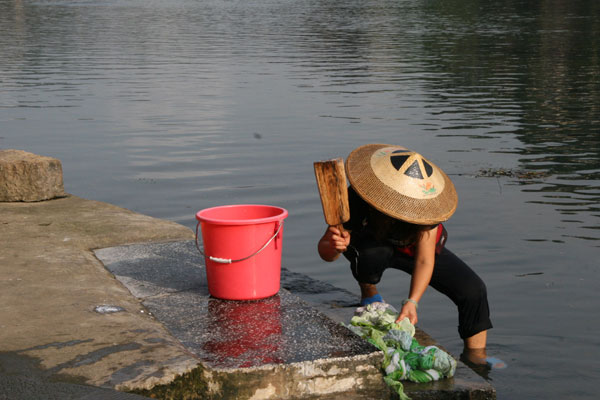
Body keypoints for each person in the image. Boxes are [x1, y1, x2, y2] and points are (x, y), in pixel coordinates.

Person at [317, 144, 504, 370]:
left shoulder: (427, 208)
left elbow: (425, 260)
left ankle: (477, 356)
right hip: (371, 248)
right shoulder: (359, 198)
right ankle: (369, 291)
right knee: (372, 253)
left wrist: (412, 302)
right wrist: (336, 246)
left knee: (474, 290)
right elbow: (325, 253)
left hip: (413, 251)